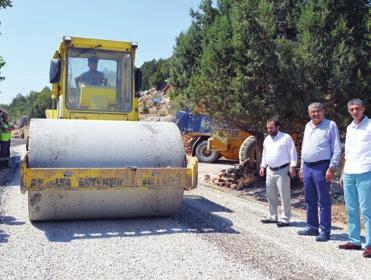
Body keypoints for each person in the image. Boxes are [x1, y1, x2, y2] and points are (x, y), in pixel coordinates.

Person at [298, 102, 341, 241]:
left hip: (322, 167)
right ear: (309, 113)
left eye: (318, 111)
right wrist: (301, 165)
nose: (315, 114)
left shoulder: (330, 125)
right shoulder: (308, 125)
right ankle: (312, 227)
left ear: (323, 111)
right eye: (312, 112)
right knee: (310, 199)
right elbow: (304, 146)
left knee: (324, 200)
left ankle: (325, 231)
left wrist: (331, 167)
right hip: (307, 166)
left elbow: (336, 148)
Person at [338, 98, 371, 258]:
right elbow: (348, 153)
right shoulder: (350, 128)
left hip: (366, 171)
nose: (355, 111)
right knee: (351, 209)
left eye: (357, 108)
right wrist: (343, 173)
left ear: (363, 109)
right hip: (350, 172)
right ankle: (355, 240)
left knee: (367, 210)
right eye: (352, 109)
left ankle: (370, 244)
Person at [259, 118, 297, 227]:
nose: (269, 130)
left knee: (284, 195)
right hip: (270, 170)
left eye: (271, 128)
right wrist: (262, 166)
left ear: (277, 127)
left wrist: (293, 166)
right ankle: (272, 216)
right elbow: (265, 154)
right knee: (271, 195)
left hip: (283, 170)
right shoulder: (267, 139)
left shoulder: (286, 138)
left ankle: (285, 219)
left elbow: (292, 152)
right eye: (267, 128)